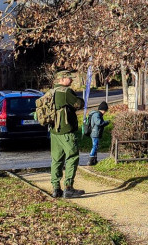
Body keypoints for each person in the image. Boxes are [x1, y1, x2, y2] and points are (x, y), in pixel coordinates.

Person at [49, 69, 85, 199]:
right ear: (62, 79)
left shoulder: (51, 91)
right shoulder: (66, 92)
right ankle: (68, 187)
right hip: (66, 131)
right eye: (69, 78)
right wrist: (80, 99)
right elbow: (78, 104)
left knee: (56, 160)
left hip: (54, 131)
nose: (71, 80)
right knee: (72, 156)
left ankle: (55, 188)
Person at [86, 101, 108, 166]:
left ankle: (94, 160)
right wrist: (106, 122)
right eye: (105, 111)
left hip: (96, 133)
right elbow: (99, 123)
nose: (105, 112)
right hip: (95, 133)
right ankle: (90, 160)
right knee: (95, 146)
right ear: (103, 110)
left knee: (96, 146)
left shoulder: (98, 114)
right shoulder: (97, 115)